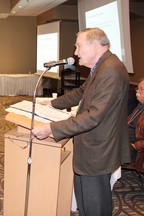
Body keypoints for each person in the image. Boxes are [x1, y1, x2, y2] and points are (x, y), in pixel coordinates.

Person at [32, 28, 130, 216]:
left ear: (94, 45)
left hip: (98, 152)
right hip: (92, 149)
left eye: (78, 46)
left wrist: (52, 128)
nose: (75, 53)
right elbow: (81, 93)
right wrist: (51, 103)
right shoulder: (102, 66)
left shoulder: (110, 70)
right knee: (86, 205)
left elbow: (94, 115)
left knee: (95, 207)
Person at [127, 78, 144, 173]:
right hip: (124, 141)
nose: (137, 91)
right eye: (137, 88)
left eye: (142, 89)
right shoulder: (139, 107)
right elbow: (128, 123)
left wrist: (136, 146)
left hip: (136, 149)